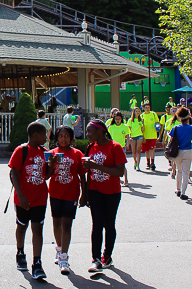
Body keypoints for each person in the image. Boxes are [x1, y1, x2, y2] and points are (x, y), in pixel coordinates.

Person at [83, 119, 127, 272]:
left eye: (90, 131)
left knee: (109, 224)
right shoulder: (90, 147)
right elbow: (89, 172)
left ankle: (107, 255)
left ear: (100, 131)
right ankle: (95, 259)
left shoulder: (115, 147)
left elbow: (120, 171)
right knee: (97, 225)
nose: (87, 134)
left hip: (112, 192)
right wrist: (86, 193)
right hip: (95, 190)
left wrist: (96, 166)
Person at [8, 121, 50, 279]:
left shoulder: (45, 152)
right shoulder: (21, 150)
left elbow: (46, 175)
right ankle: (20, 251)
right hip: (23, 198)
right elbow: (14, 173)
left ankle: (37, 263)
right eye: (44, 134)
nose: (46, 137)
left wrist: (51, 164)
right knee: (22, 226)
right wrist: (21, 194)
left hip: (40, 197)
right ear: (35, 135)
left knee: (37, 228)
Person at [47, 125, 87, 274]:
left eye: (66, 136)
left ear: (71, 138)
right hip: (55, 193)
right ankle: (59, 247)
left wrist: (84, 194)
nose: (63, 139)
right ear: (57, 138)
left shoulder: (77, 154)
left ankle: (64, 257)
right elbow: (47, 175)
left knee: (67, 225)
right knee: (56, 223)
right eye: (60, 136)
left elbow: (82, 175)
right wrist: (52, 162)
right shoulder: (52, 153)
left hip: (71, 194)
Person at [169, 106, 192, 200]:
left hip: (178, 151)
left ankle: (177, 189)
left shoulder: (176, 128)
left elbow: (170, 139)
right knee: (186, 172)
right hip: (188, 151)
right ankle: (183, 192)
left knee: (179, 171)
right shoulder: (191, 128)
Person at [108, 111, 130, 186]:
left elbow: (127, 136)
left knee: (122, 164)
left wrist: (128, 144)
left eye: (119, 119)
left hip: (121, 147)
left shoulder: (125, 126)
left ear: (121, 119)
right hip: (113, 147)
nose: (117, 120)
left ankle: (126, 180)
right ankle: (115, 180)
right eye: (116, 119)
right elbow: (108, 138)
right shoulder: (111, 127)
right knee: (113, 164)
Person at [141, 101, 160, 170]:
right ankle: (148, 163)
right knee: (146, 150)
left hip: (153, 135)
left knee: (152, 149)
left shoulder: (153, 114)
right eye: (146, 107)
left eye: (148, 107)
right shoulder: (142, 116)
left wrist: (158, 128)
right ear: (143, 108)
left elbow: (157, 123)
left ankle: (152, 163)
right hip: (145, 135)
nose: (147, 109)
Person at [127, 107, 144, 171]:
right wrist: (129, 137)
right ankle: (135, 161)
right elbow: (129, 130)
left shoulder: (141, 119)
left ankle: (138, 164)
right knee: (134, 151)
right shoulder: (130, 120)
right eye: (136, 111)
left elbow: (143, 130)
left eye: (138, 111)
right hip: (133, 136)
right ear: (134, 112)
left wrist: (143, 123)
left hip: (139, 135)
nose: (137, 112)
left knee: (138, 150)